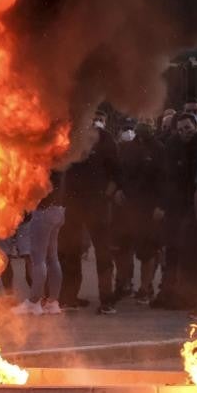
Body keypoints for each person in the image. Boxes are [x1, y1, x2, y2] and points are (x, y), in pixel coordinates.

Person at [58, 110, 122, 314]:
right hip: (72, 206)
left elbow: (117, 174)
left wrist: (106, 196)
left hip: (99, 206)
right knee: (71, 252)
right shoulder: (68, 135)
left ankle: (107, 300)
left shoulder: (105, 139)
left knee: (103, 254)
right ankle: (69, 298)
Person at [153, 112, 197, 309]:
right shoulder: (173, 146)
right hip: (176, 206)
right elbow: (168, 178)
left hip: (195, 205)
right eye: (181, 129)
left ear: (196, 126)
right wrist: (163, 205)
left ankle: (192, 296)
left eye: (188, 128)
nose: (185, 133)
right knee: (171, 249)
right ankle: (170, 293)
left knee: (191, 252)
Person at [116, 120, 166, 304]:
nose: (144, 126)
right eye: (141, 122)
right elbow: (120, 171)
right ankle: (124, 284)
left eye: (148, 122)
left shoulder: (159, 149)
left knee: (147, 251)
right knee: (123, 247)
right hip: (127, 205)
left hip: (149, 208)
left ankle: (145, 288)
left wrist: (161, 205)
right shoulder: (127, 148)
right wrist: (118, 190)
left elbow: (164, 179)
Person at [13, 170, 67, 315]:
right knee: (52, 257)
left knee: (38, 259)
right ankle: (53, 302)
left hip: (44, 211)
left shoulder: (46, 163)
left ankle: (34, 302)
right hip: (59, 210)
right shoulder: (60, 164)